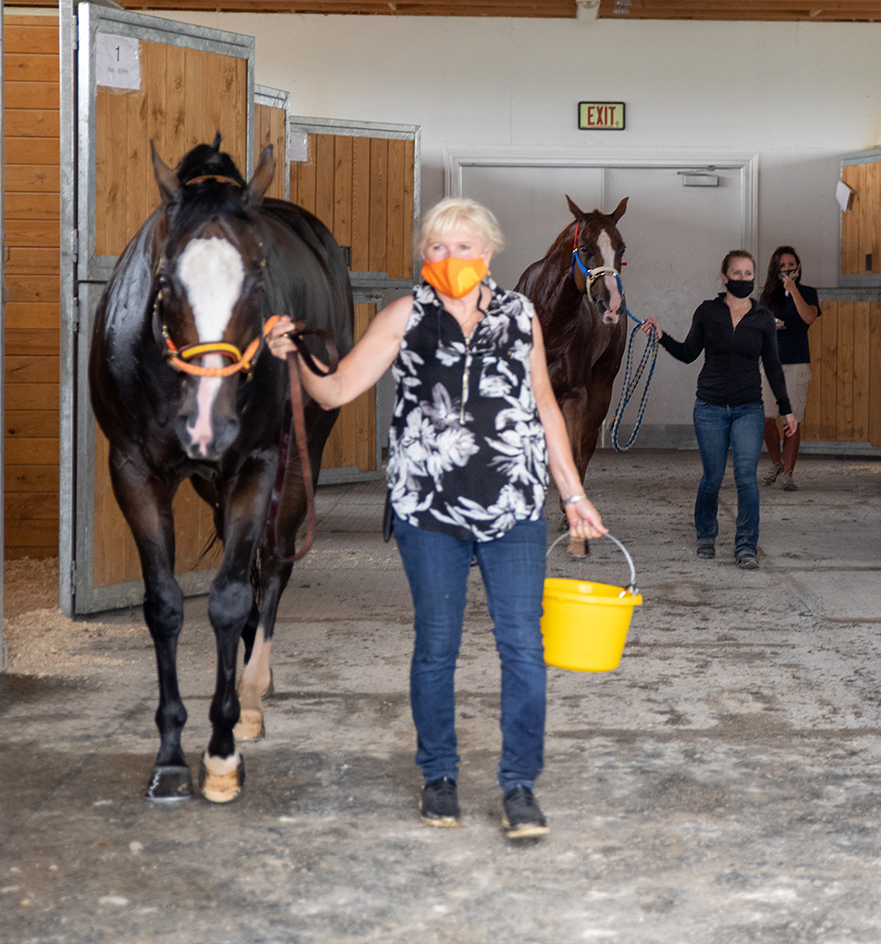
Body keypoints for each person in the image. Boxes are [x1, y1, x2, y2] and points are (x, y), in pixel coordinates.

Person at [267, 197, 606, 841]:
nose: (451, 258)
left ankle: (519, 784)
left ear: (489, 251)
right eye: (437, 248)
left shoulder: (520, 315)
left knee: (524, 650)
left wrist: (573, 493)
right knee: (436, 648)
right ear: (424, 255)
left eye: (463, 246)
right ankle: (439, 775)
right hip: (429, 510)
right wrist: (293, 355)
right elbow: (336, 389)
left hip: (514, 507)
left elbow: (545, 406)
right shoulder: (404, 316)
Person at [640, 250, 796, 570]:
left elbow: (773, 366)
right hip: (709, 406)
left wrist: (786, 410)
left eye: (748, 274)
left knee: (746, 478)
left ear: (754, 277)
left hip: (748, 408)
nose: (743, 279)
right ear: (724, 277)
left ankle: (746, 546)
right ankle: (706, 534)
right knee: (712, 478)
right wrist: (661, 337)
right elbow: (688, 353)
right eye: (736, 274)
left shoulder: (763, 317)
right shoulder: (707, 312)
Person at [758, 246, 820, 491]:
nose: (787, 269)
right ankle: (776, 462)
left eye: (791, 265)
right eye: (782, 266)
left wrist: (793, 291)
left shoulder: (808, 292)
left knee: (791, 420)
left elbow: (809, 317)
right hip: (769, 362)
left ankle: (788, 475)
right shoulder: (767, 296)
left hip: (796, 362)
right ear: (775, 269)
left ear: (799, 266)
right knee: (764, 418)